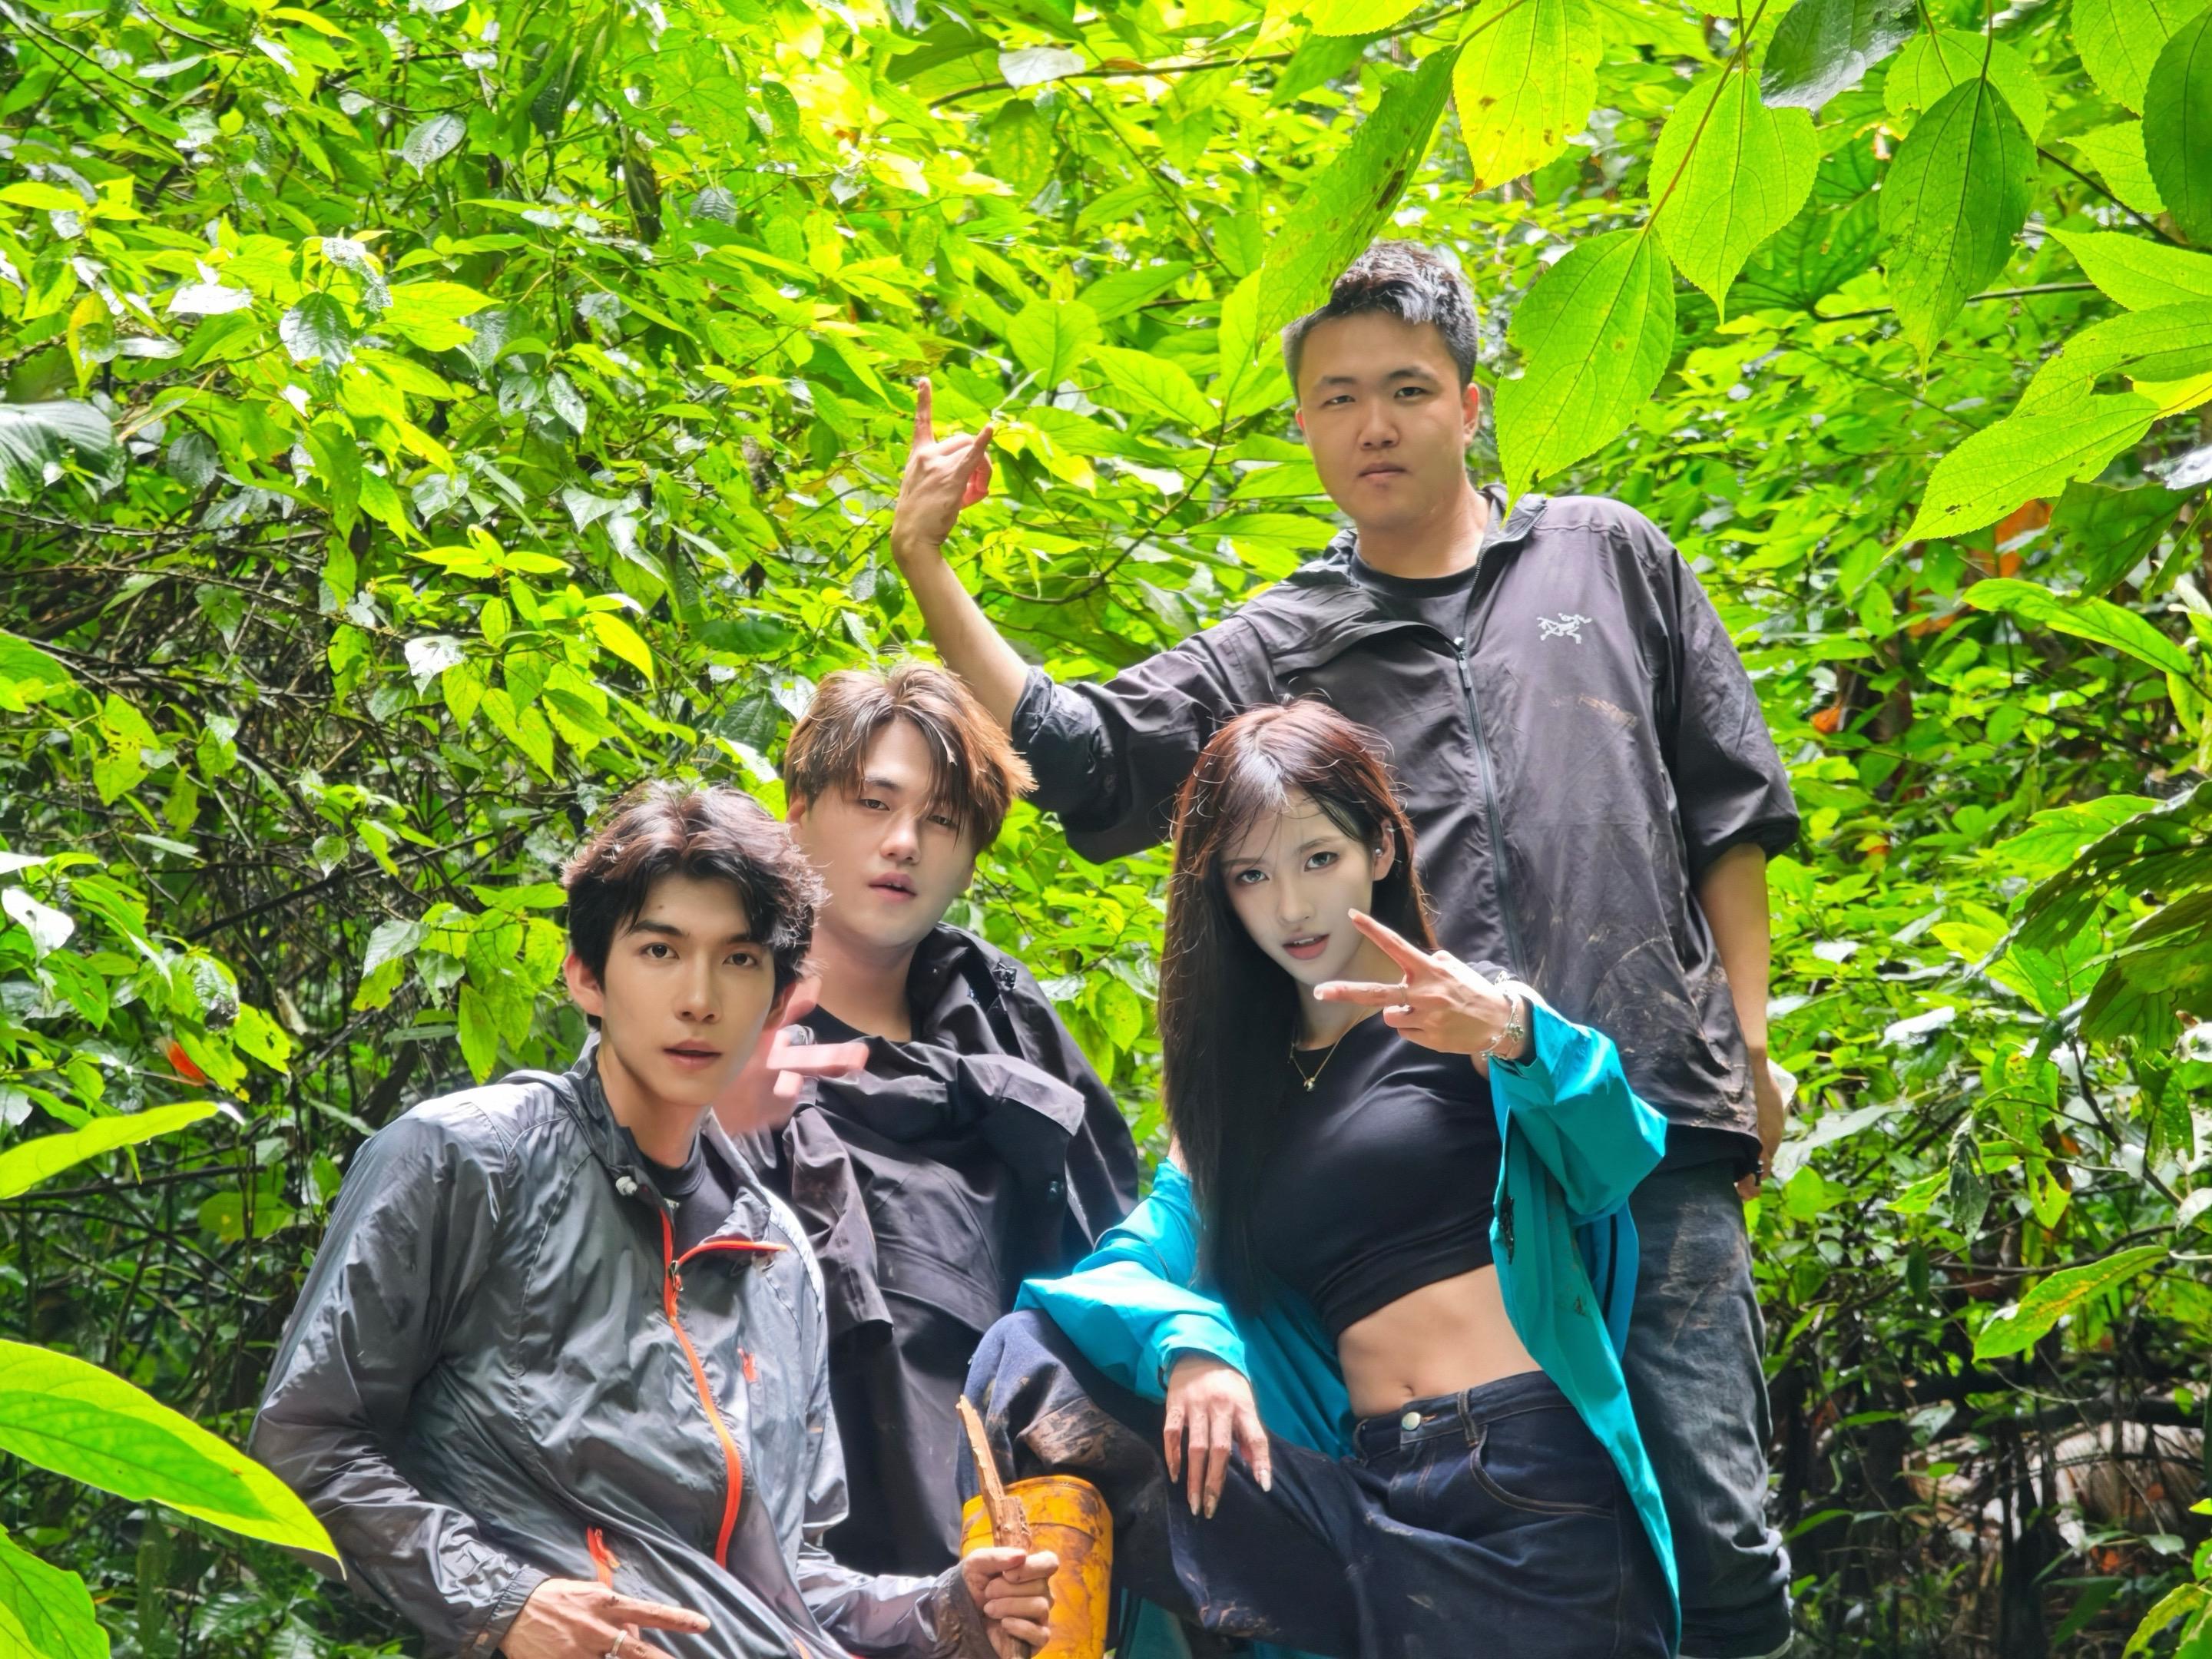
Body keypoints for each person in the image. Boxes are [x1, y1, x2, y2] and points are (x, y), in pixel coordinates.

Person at [894, 240, 1800, 1659]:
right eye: (1336, 399)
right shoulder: (1289, 641)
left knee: (1716, 1542)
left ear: (1472, 403)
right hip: (1423, 1163)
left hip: (1640, 1116)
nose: (1373, 425)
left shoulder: (1608, 554)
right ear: (1305, 426)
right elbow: (1091, 756)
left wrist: (1749, 1034)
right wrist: (928, 564)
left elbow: (1727, 808)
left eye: (1407, 389)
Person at [250, 783, 1056, 1659]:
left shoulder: (778, 1252)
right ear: (586, 976)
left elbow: (787, 1581)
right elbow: (304, 1444)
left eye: (740, 959)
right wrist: (508, 1603)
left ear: (780, 996)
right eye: (661, 950)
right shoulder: (471, 1159)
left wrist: (947, 1609)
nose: (699, 998)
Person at [962, 703, 1674, 1658]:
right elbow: (1121, 1271)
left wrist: (1512, 1031)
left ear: (1381, 847)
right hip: (1366, 1496)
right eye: (1251, 875)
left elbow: (1617, 1156)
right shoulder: (1231, 1115)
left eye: (1319, 859)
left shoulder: (1465, 1020)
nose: (1291, 907)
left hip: (1525, 1476)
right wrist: (1190, 1346)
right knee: (1026, 1361)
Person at [727, 662, 1141, 1576]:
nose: (904, 842)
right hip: (791, 1547)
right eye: (874, 804)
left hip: (1024, 1540)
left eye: (943, 820)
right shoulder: (716, 1022)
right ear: (798, 811)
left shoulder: (1007, 1022)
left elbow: (1113, 1258)